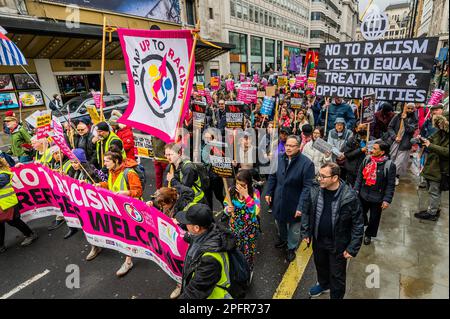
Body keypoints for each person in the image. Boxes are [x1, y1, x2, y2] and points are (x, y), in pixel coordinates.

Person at [301, 163, 364, 299]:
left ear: (335, 178)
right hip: (318, 241)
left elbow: (358, 224)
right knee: (321, 266)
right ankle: (324, 285)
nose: (319, 179)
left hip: (338, 244)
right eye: (319, 175)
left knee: (337, 276)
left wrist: (353, 247)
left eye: (323, 176)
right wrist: (306, 232)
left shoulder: (349, 196)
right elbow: (306, 210)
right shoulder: (315, 189)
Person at [89, 151, 143, 276]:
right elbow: (111, 185)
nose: (104, 163)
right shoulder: (111, 171)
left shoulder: (130, 173)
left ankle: (128, 261)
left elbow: (138, 191)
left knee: (128, 235)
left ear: (116, 161)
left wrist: (127, 193)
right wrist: (101, 185)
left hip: (131, 209)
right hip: (118, 207)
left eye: (107, 161)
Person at [265, 135, 315, 262]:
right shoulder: (279, 158)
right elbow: (272, 176)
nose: (288, 148)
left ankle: (291, 247)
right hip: (279, 199)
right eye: (287, 145)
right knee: (279, 222)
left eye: (292, 146)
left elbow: (307, 187)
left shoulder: (307, 164)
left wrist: (301, 206)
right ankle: (283, 239)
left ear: (299, 147)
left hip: (295, 202)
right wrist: (268, 192)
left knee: (294, 228)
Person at [176, 204, 235, 299]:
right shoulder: (210, 229)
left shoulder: (209, 259)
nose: (185, 224)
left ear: (196, 228)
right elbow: (194, 237)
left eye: (187, 222)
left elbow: (196, 291)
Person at [146, 185, 195, 299]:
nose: (162, 207)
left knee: (183, 260)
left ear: (171, 201)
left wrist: (179, 223)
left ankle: (180, 283)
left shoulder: (184, 207)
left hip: (183, 238)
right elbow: (158, 200)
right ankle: (179, 278)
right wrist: (151, 203)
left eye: (163, 205)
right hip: (170, 235)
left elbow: (190, 225)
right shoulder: (165, 199)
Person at [354, 142, 396, 245]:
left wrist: (387, 200)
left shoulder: (389, 165)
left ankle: (369, 234)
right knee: (360, 214)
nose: (371, 150)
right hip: (363, 194)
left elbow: (391, 184)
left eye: (375, 149)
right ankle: (361, 226)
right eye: (372, 148)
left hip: (378, 197)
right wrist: (356, 189)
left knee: (374, 218)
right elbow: (360, 175)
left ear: (382, 152)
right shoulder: (367, 160)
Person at [223, 170, 261, 274]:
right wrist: (227, 210)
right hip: (234, 227)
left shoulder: (255, 193)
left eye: (242, 185)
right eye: (237, 184)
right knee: (235, 250)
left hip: (249, 230)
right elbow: (226, 204)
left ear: (248, 184)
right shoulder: (231, 191)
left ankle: (248, 270)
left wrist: (246, 196)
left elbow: (256, 211)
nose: (239, 187)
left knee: (248, 253)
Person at [414, 114, 449, 221]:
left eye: (441, 123)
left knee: (434, 191)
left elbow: (447, 152)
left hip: (441, 169)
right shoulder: (440, 132)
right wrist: (422, 140)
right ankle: (434, 209)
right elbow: (431, 139)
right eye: (438, 123)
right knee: (432, 190)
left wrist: (430, 145)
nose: (439, 125)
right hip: (433, 166)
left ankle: (432, 213)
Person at [0, 158, 38, 253]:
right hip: (3, 205)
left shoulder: (3, 175)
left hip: (8, 205)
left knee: (14, 222)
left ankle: (30, 234)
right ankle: (1, 245)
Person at [63, 148, 99, 240]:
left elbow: (95, 187)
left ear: (82, 162)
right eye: (71, 162)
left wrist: (86, 184)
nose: (73, 165)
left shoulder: (90, 171)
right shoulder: (73, 170)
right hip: (78, 198)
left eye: (75, 162)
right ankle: (73, 228)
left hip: (88, 201)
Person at [387, 103, 418, 186]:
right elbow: (390, 127)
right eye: (408, 108)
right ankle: (389, 175)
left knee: (399, 162)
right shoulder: (397, 116)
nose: (410, 110)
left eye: (412, 109)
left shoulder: (415, 119)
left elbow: (410, 130)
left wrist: (404, 120)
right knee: (392, 159)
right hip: (395, 142)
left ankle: (395, 176)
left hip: (405, 144)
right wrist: (394, 136)